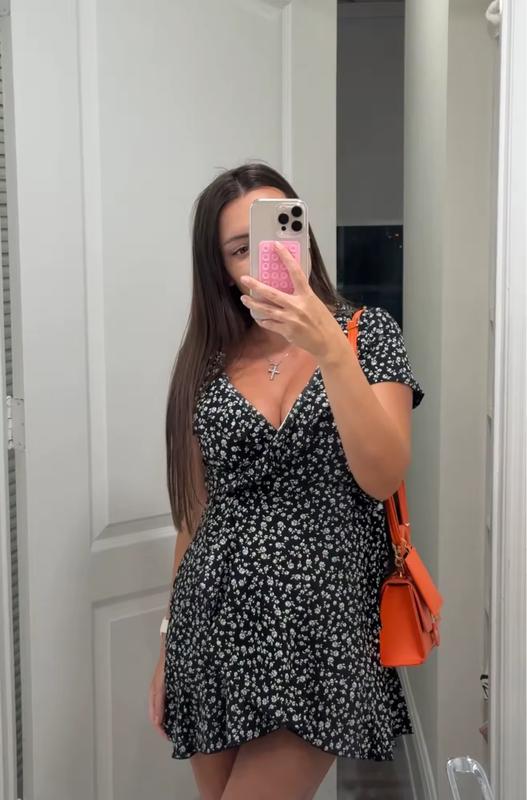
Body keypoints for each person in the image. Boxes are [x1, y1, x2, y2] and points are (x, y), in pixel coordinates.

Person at [148, 162, 425, 800]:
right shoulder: (207, 361)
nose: (265, 255)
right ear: (222, 269)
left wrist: (329, 349)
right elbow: (195, 515)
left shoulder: (366, 335)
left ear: (302, 235)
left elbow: (383, 475)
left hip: (322, 630)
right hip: (210, 626)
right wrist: (167, 645)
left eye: (275, 233)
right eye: (241, 248)